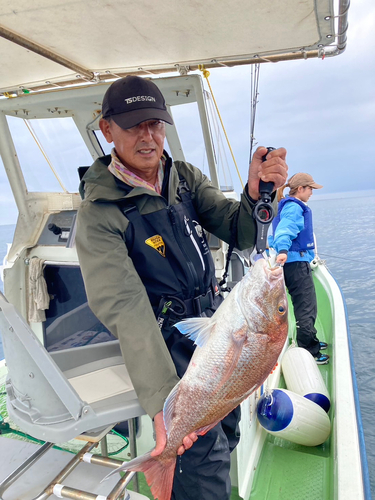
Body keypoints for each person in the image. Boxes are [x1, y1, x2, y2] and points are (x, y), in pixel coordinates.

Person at [75, 75, 288, 499]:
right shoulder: (100, 213)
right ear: (107, 129)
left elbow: (238, 229)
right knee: (200, 463)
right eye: (134, 125)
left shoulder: (184, 177)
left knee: (226, 435)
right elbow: (126, 308)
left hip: (214, 328)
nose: (148, 136)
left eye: (156, 123)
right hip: (166, 347)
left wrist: (254, 197)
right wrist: (162, 401)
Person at [269, 173, 329, 365]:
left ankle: (310, 341)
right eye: (310, 188)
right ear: (300, 188)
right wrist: (284, 250)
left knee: (303, 305)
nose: (312, 192)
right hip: (295, 264)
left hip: (293, 263)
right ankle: (308, 351)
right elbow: (285, 229)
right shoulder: (294, 207)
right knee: (306, 307)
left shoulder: (287, 205)